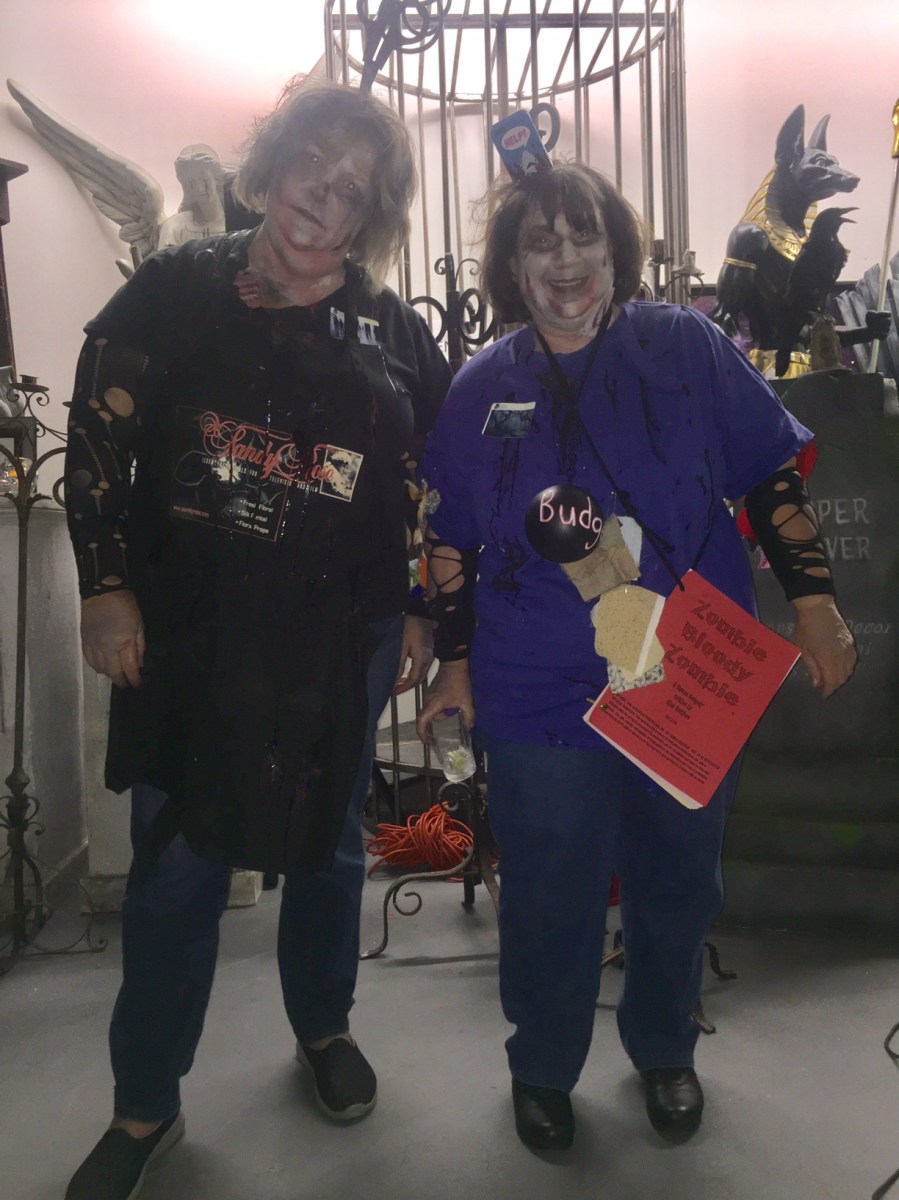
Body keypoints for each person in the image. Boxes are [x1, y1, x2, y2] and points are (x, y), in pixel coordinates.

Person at [416, 162, 856, 1153]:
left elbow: (768, 477)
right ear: (511, 268)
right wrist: (453, 663)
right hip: (538, 683)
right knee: (549, 889)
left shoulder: (687, 347)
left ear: (618, 250)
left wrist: (815, 603)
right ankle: (542, 1067)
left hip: (683, 669)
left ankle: (663, 1048)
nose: (564, 260)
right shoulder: (483, 385)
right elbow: (447, 536)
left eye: (583, 236)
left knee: (677, 878)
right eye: (539, 242)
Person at [63, 78, 452, 1200]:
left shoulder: (388, 325)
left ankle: (322, 1028)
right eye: (310, 166)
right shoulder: (178, 286)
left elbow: (437, 475)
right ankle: (145, 1102)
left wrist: (423, 604)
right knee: (179, 861)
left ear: (371, 215)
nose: (322, 198)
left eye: (352, 188)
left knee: (329, 843)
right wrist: (105, 586)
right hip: (191, 633)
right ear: (271, 164)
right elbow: (97, 440)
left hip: (341, 635)